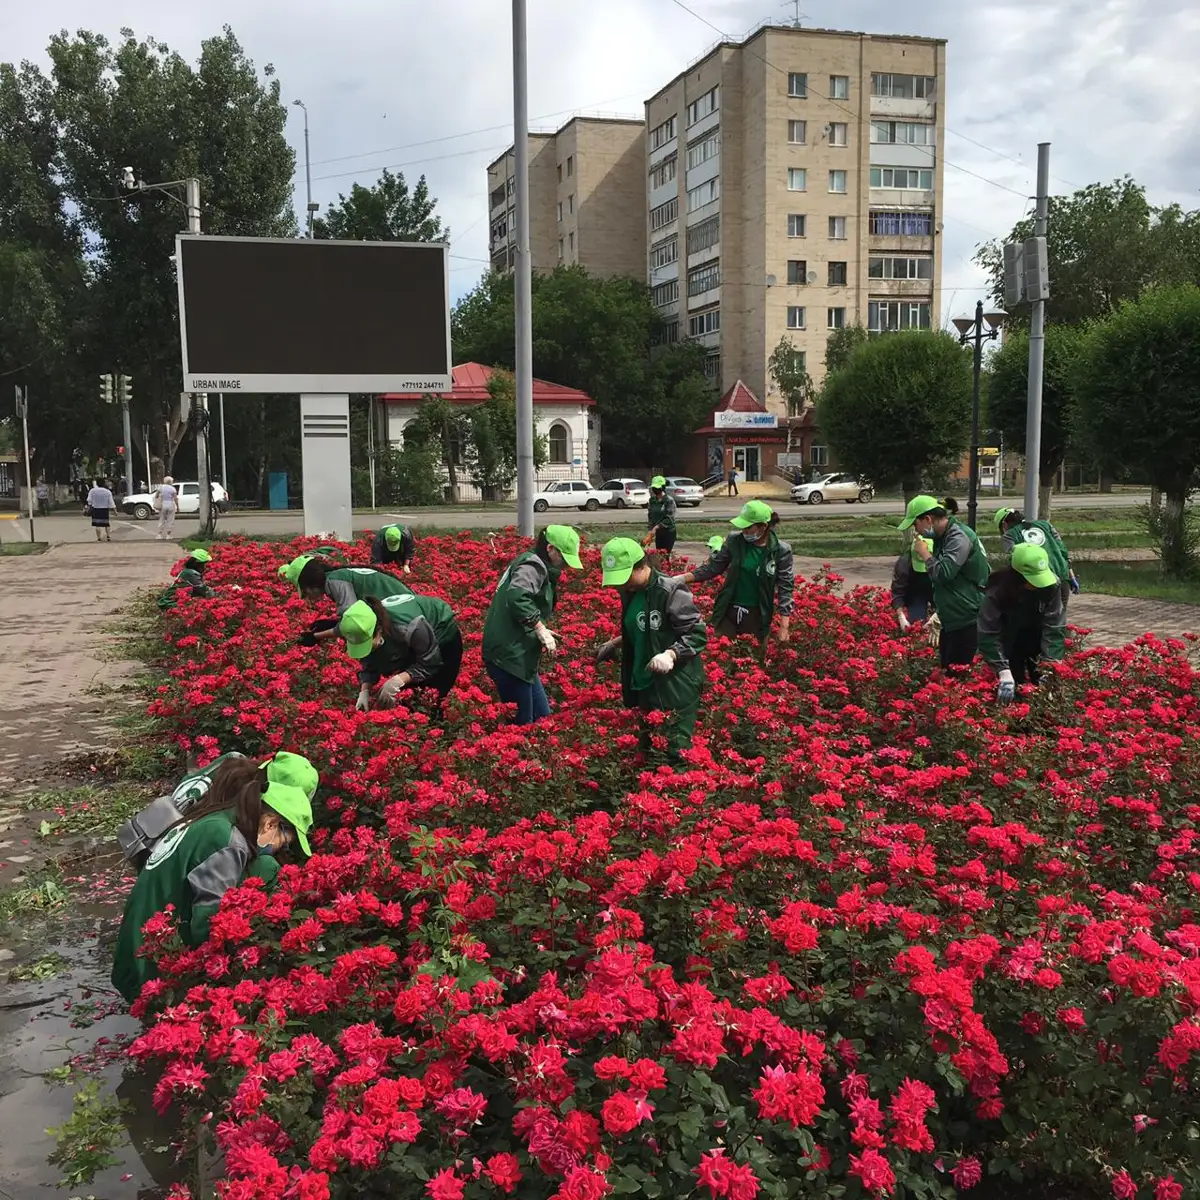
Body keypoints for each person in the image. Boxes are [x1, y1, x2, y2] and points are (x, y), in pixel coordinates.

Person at [111, 755, 315, 1003]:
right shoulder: (226, 841)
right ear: (270, 823)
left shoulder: (222, 815)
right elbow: (207, 926)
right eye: (284, 841)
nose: (279, 848)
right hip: (148, 972)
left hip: (134, 951)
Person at [596, 538, 707, 762]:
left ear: (641, 566)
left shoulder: (670, 590)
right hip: (645, 679)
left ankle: (675, 793)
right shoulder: (630, 590)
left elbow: (696, 632)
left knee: (675, 749)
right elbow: (643, 624)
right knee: (648, 746)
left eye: (624, 576)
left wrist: (671, 654)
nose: (620, 584)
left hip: (675, 684)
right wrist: (615, 643)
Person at [482, 525, 583, 724]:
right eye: (563, 558)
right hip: (509, 655)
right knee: (523, 725)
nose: (566, 566)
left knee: (542, 719)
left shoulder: (537, 563)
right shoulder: (533, 565)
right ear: (551, 549)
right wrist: (538, 626)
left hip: (519, 654)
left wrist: (541, 627)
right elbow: (517, 596)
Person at [680, 500, 795, 643]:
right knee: (719, 651)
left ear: (764, 526)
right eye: (742, 527)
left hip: (757, 614)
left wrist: (784, 626)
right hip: (728, 608)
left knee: (752, 657)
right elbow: (713, 567)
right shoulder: (735, 541)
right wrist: (681, 578)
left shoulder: (781, 551)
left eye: (748, 527)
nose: (743, 531)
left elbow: (786, 588)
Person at [898, 495, 991, 669]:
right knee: (948, 672)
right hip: (952, 618)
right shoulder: (943, 537)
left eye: (915, 525)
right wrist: (939, 614)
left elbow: (943, 574)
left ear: (927, 520)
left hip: (967, 617)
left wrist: (925, 554)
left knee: (958, 675)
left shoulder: (958, 537)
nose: (917, 532)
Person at [340, 594, 463, 711]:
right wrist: (364, 690)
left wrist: (396, 681)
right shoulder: (365, 624)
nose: (367, 650)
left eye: (368, 644)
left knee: (432, 695)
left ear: (379, 630)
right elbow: (368, 660)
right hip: (411, 640)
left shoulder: (410, 626)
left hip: (442, 634)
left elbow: (430, 661)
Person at [979, 542, 1067, 702]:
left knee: (1045, 692)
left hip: (1037, 637)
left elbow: (1054, 626)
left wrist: (1050, 667)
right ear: (1018, 576)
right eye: (1033, 579)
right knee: (1013, 690)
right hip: (1009, 639)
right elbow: (988, 633)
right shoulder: (997, 591)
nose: (1038, 584)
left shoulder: (1051, 585)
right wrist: (1002, 670)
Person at [283, 556, 414, 644]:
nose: (308, 597)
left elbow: (352, 625)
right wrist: (332, 624)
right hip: (402, 604)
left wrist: (316, 637)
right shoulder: (336, 576)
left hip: (402, 611)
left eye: (306, 592)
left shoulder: (335, 582)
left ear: (311, 583)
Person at [995, 507, 1078, 607]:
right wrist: (1071, 575)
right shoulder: (1046, 525)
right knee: (1059, 618)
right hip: (1062, 576)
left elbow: (1014, 562)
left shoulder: (1009, 536)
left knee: (1040, 619)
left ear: (1004, 525)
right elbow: (1063, 550)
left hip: (1037, 582)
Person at [890, 536, 935, 632]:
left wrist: (939, 614)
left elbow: (949, 590)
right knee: (917, 624)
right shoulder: (904, 564)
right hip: (915, 590)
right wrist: (901, 616)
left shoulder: (942, 562)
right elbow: (898, 591)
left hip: (937, 589)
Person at [644, 477, 678, 557]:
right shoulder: (652, 501)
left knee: (665, 555)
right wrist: (650, 531)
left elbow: (670, 518)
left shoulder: (669, 500)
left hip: (668, 532)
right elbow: (650, 516)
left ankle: (667, 569)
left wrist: (656, 528)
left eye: (657, 488)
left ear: (663, 487)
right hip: (658, 533)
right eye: (654, 488)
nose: (655, 489)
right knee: (659, 555)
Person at [86, 478, 117, 542]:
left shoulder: (92, 491)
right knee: (106, 524)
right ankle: (108, 537)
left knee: (97, 524)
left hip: (96, 509)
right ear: (104, 483)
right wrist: (115, 511)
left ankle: (99, 538)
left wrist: (89, 506)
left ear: (96, 483)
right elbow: (111, 502)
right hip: (105, 509)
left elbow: (89, 500)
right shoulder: (107, 491)